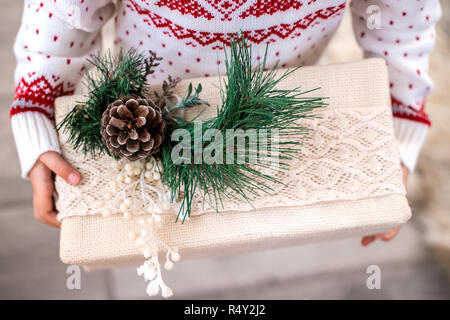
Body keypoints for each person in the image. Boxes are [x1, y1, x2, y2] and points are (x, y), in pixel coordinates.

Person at [10, 0, 441, 246]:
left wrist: (396, 128)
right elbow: (61, 14)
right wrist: (36, 109)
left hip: (281, 97)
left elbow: (398, 22)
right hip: (149, 110)